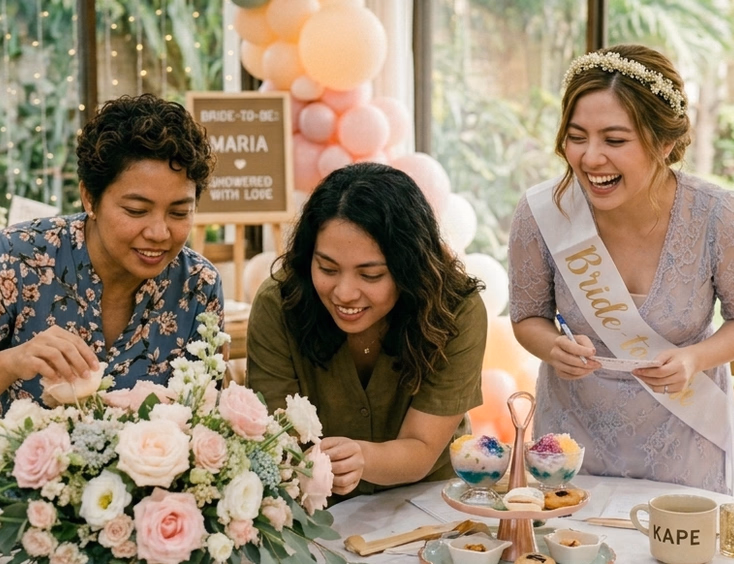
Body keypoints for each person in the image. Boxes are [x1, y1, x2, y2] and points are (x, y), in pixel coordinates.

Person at [508, 44, 734, 493]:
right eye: (576, 137)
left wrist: (694, 359)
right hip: (572, 442)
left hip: (687, 437)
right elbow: (527, 315)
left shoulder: (717, 215)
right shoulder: (540, 213)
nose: (591, 158)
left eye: (614, 140)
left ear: (665, 143)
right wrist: (554, 347)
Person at [247, 162, 487, 500]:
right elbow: (278, 441)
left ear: (409, 268)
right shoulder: (280, 303)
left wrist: (364, 458)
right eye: (327, 268)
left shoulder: (455, 308)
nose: (344, 293)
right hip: (317, 506)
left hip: (431, 503)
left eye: (370, 275)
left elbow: (421, 447)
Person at [0, 93, 224, 413]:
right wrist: (11, 362)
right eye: (136, 210)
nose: (159, 233)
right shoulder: (15, 260)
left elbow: (206, 417)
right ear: (89, 198)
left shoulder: (198, 285)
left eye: (178, 213)